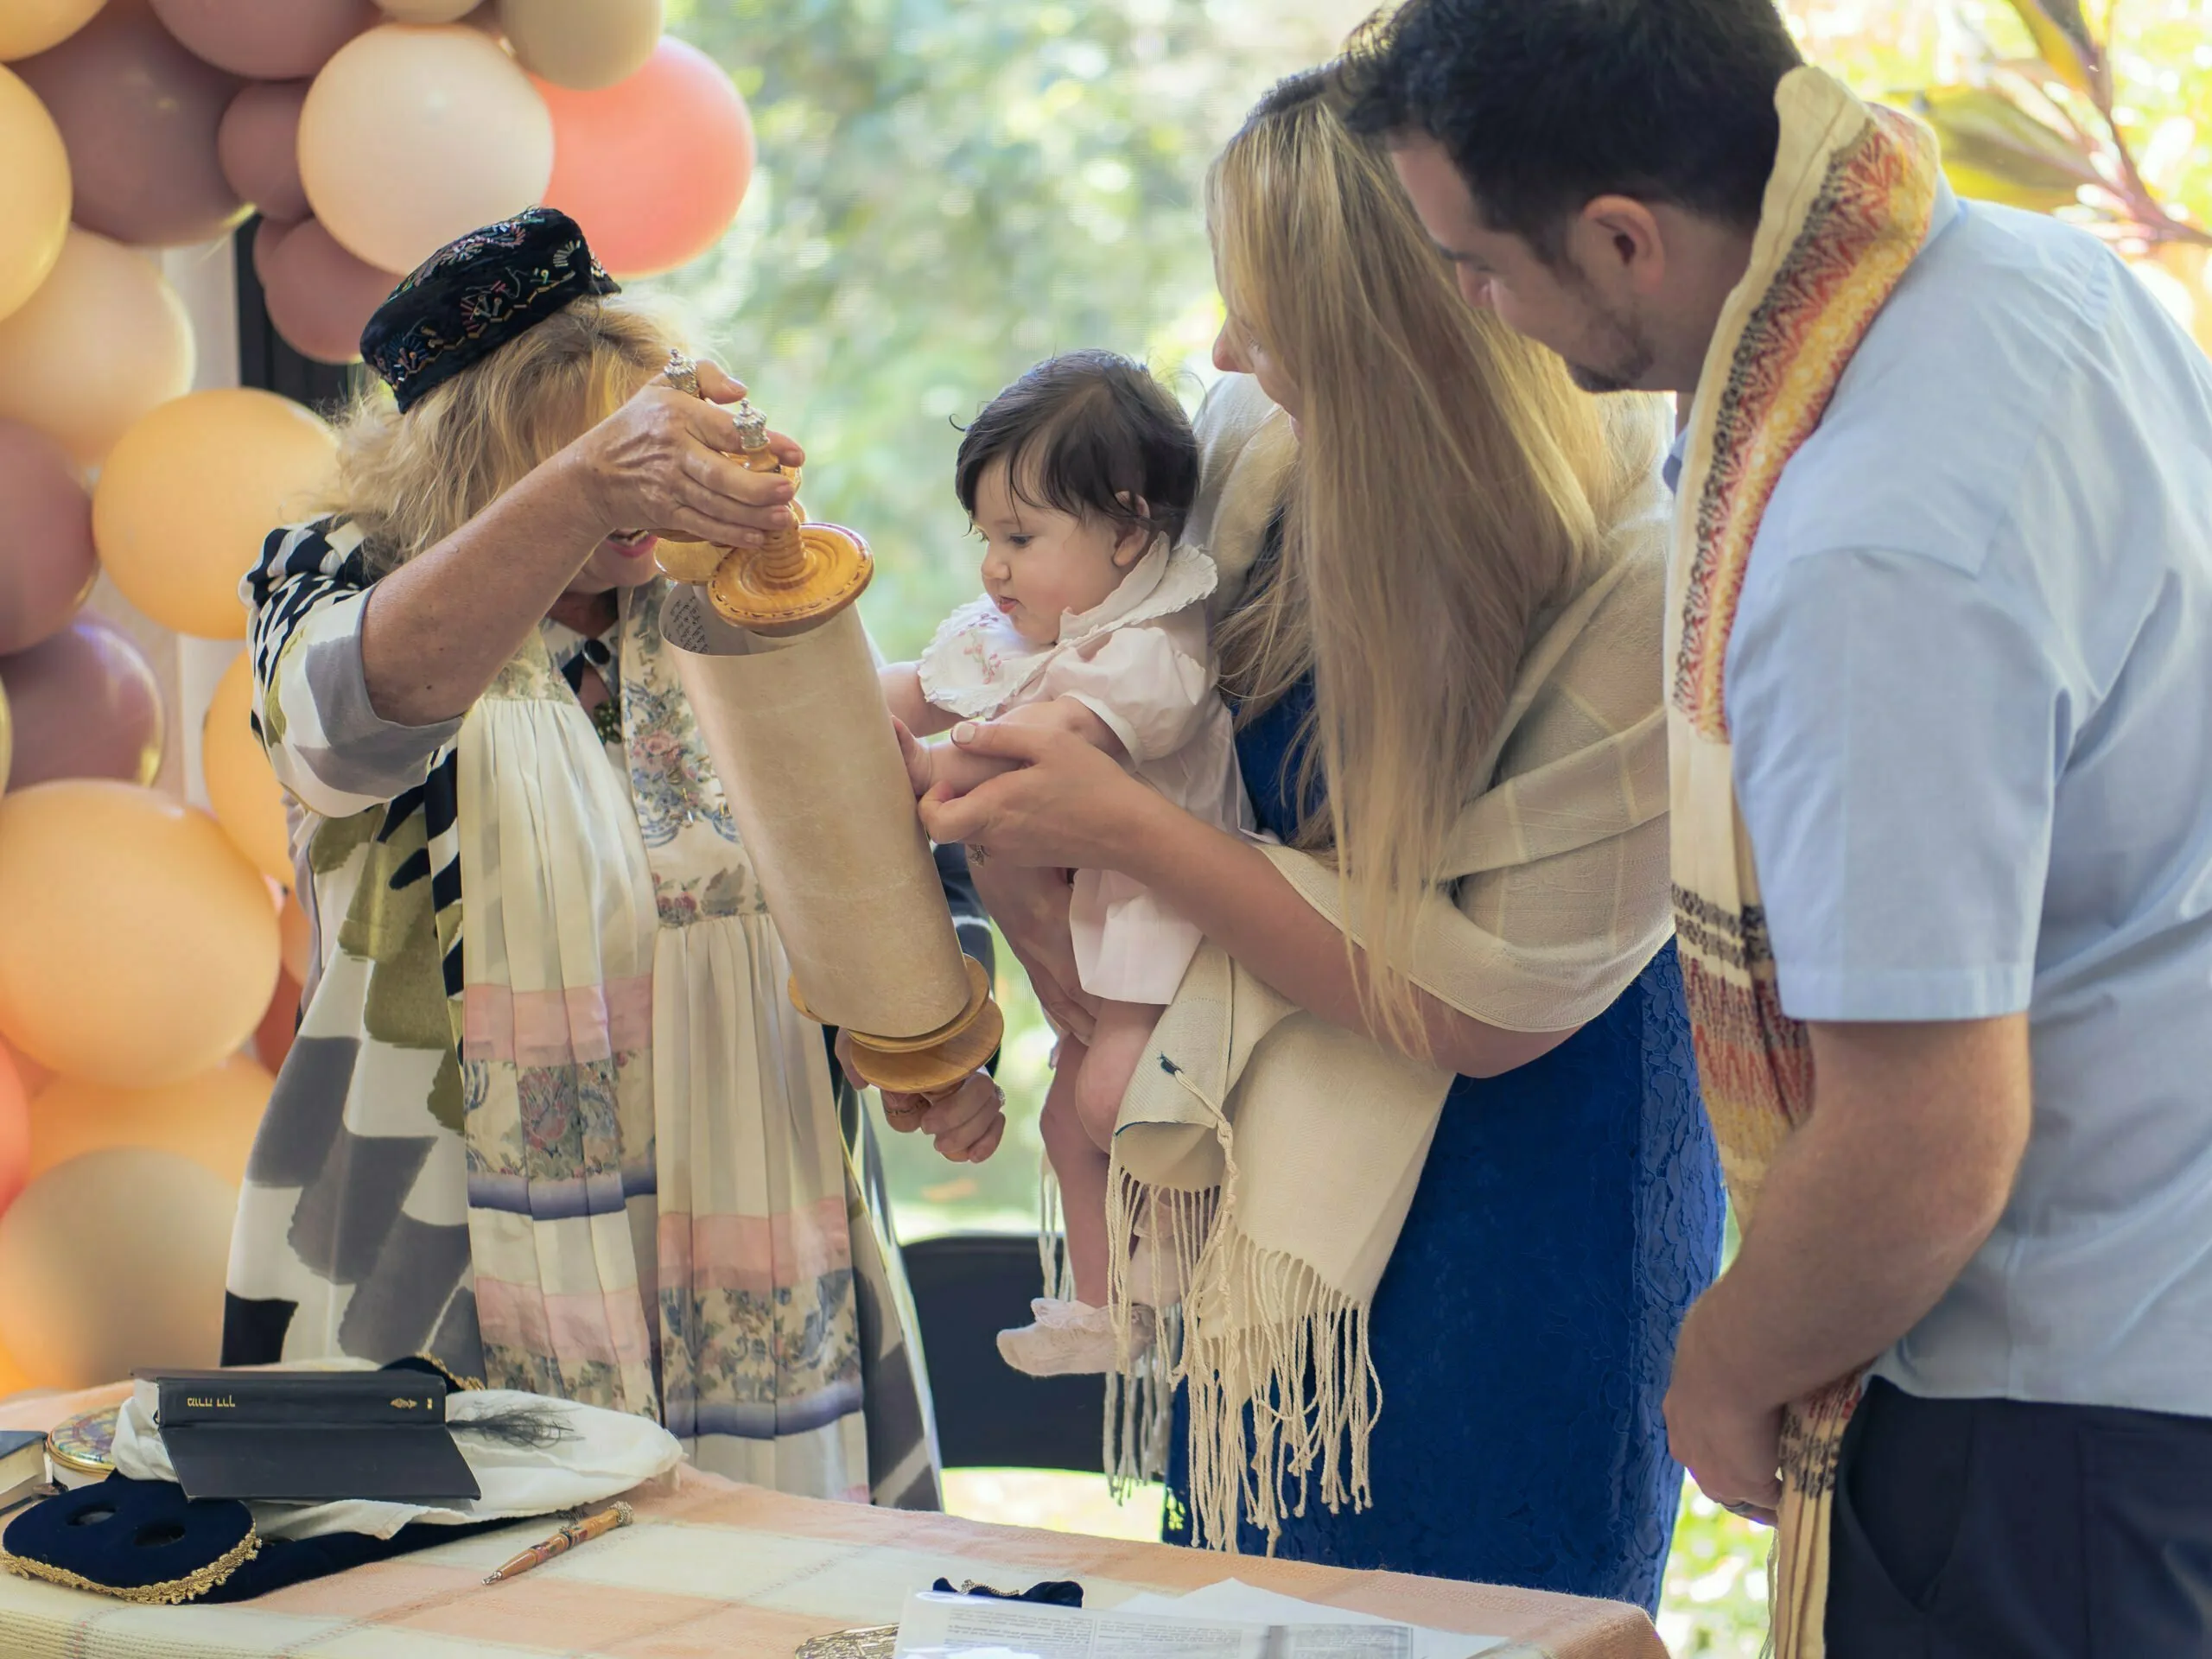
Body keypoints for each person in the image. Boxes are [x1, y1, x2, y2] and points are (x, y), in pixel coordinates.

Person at [1349, 0, 2212, 1652]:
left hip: (2053, 1412)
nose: (1474, 306)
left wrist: (1725, 1368)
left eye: (1475, 265)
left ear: (1622, 239)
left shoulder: (1864, 548)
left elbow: (1928, 1133)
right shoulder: (2041, 279)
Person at [918, 75, 1723, 1609]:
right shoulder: (1249, 452)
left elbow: (1480, 1012)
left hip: (1525, 1212)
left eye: (1263, 313)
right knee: (1240, 1606)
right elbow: (1090, 686)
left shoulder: (1640, 592)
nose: (1220, 352)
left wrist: (1135, 836)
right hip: (1260, 1206)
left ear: (1394, 340)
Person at [222, 209, 1008, 1511]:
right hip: (442, 1259)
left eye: (648, 447)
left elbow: (889, 831)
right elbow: (342, 730)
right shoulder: (341, 577)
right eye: (603, 460)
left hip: (769, 1228)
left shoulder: (726, 589)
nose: (649, 493)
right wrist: (585, 487)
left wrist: (935, 1040)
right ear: (485, 460)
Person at [880, 350, 1240, 1378]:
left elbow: (1050, 744)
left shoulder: (1155, 644)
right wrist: (838, 704)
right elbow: (924, 688)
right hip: (1102, 916)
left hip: (1165, 917)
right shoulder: (1030, 625)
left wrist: (921, 765)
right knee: (1065, 1112)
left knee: (1108, 1093)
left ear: (1129, 529)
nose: (992, 566)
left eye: (1020, 537)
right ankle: (1104, 1305)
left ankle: (1181, 1262)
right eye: (986, 537)